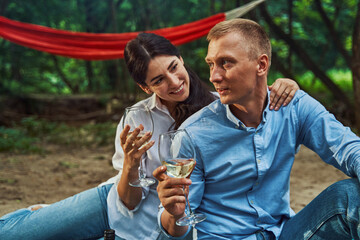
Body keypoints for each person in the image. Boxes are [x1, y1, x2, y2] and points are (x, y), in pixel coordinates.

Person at [0, 32, 298, 240]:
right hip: (114, 205)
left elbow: (260, 102)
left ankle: (49, 214)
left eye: (174, 67)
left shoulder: (221, 106)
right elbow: (128, 200)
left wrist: (286, 85)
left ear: (181, 59)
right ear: (146, 88)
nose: (174, 82)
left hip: (169, 224)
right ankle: (39, 215)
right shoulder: (138, 119)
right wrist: (130, 163)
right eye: (158, 80)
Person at [153, 19, 360, 240]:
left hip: (283, 234)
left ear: (261, 65)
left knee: (351, 195)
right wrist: (173, 214)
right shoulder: (192, 135)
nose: (214, 76)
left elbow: (347, 147)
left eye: (226, 63)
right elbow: (178, 231)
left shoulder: (294, 107)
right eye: (211, 64)